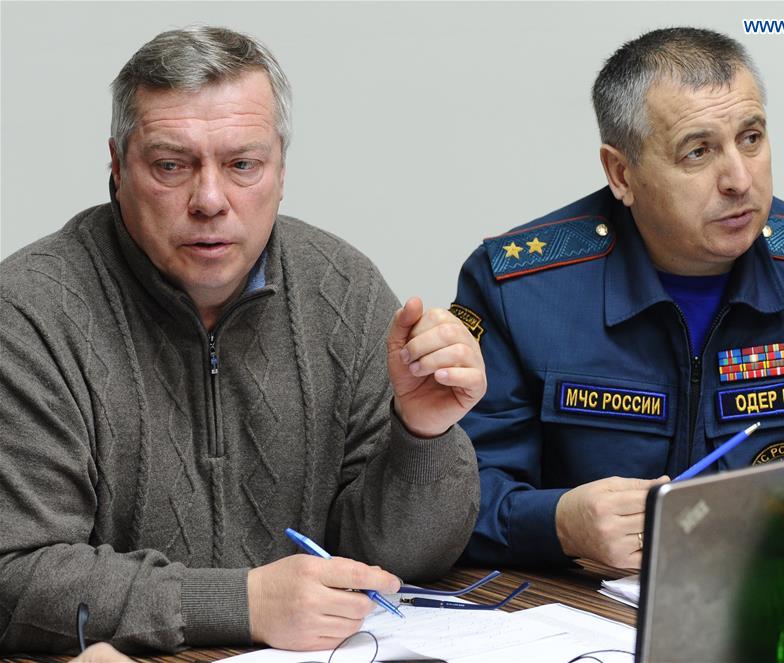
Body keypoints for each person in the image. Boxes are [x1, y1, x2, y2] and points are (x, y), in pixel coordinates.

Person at [0, 26, 485, 654]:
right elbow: (13, 575)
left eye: (242, 165)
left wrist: (421, 434)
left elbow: (401, 560)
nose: (209, 199)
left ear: (281, 169)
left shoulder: (343, 286)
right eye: (171, 165)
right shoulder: (29, 311)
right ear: (117, 167)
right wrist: (241, 603)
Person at [451, 27, 784, 572]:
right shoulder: (517, 290)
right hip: (582, 622)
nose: (739, 178)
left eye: (751, 138)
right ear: (621, 173)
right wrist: (558, 523)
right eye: (698, 151)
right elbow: (455, 500)